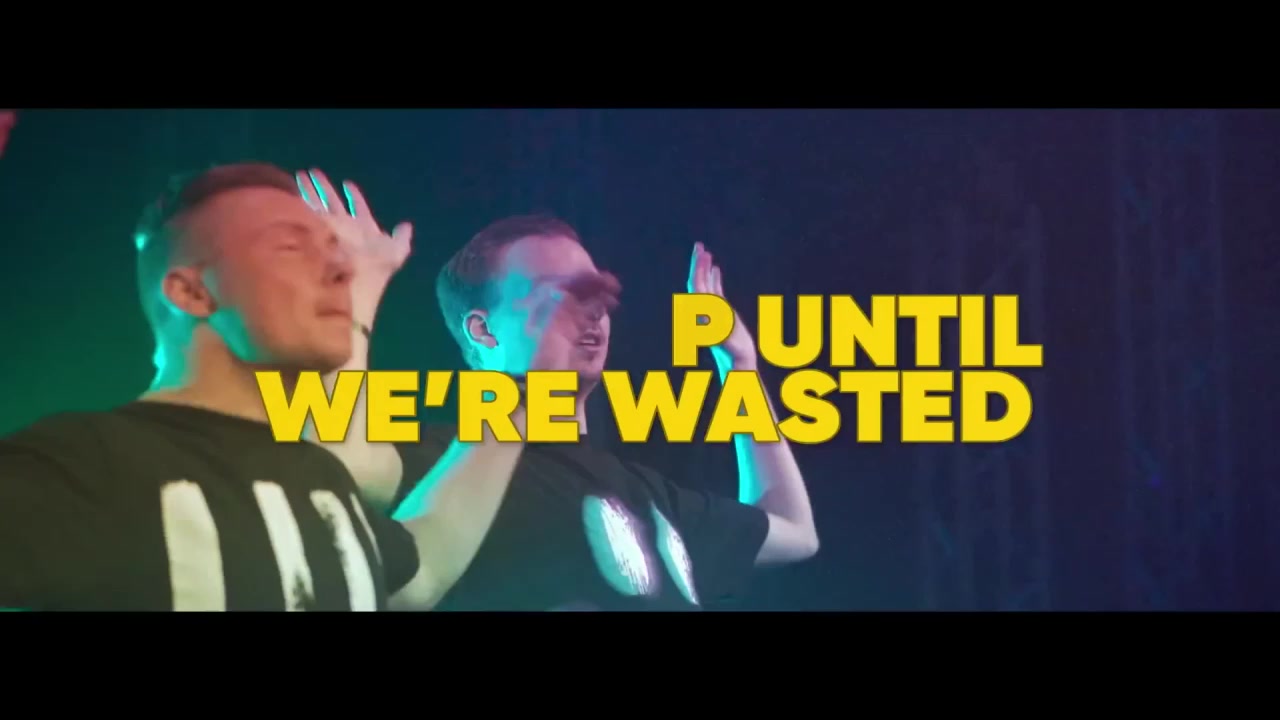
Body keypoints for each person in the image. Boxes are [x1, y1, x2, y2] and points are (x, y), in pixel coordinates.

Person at [0, 162, 493, 611]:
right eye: (291, 247)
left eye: (334, 249)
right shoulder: (84, 463)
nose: (345, 269)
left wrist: (522, 391)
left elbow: (424, 567)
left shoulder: (318, 479)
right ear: (191, 292)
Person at [392, 215, 820, 611]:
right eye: (561, 293)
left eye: (593, 292)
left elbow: (795, 531)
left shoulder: (648, 495)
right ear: (483, 330)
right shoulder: (424, 465)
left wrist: (739, 364)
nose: (594, 309)